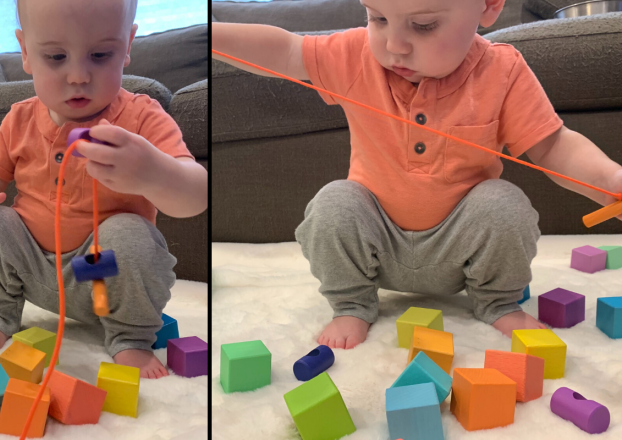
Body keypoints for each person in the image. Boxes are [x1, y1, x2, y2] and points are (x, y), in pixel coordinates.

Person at [213, 0, 622, 349]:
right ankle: (353, 304)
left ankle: (497, 302)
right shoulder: (356, 55)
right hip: (377, 246)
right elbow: (286, 51)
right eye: (377, 18)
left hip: (460, 253)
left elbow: (553, 145)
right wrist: (210, 34)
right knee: (334, 204)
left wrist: (608, 181)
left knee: (504, 204)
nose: (394, 45)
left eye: (424, 25)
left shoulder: (503, 70)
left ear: (489, 5)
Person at [0, 0, 208, 378]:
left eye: (100, 55)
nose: (79, 75)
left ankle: (130, 336)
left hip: (100, 278)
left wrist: (153, 174)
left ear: (127, 45)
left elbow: (196, 195)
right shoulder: (19, 119)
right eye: (55, 57)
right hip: (31, 271)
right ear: (26, 53)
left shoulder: (142, 117)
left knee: (128, 233)